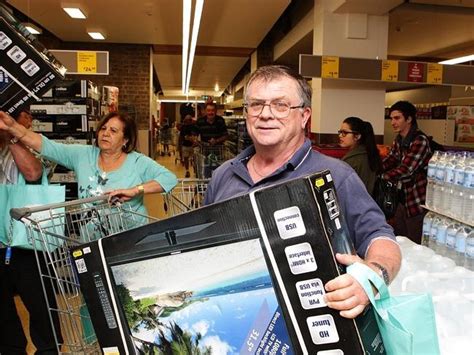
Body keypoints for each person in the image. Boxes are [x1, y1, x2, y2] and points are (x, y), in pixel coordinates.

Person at [204, 65, 401, 319]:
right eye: (256, 105)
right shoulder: (223, 176)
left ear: (305, 116)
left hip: (312, 325)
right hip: (235, 319)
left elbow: (380, 237)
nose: (266, 114)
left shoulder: (336, 176)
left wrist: (372, 277)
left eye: (280, 105)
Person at [0, 111, 178, 217]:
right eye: (103, 128)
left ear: (125, 140)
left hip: (129, 238)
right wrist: (12, 127)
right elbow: (46, 146)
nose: (105, 133)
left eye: (113, 131)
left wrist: (135, 190)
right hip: (91, 240)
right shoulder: (83, 155)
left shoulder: (137, 161)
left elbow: (169, 179)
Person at [0, 112, 61, 354]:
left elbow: (34, 173)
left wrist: (12, 136)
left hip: (27, 239)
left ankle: (48, 349)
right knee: (2, 311)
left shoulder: (35, 144)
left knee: (41, 304)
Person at [382, 101, 432, 244]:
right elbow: (390, 160)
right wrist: (375, 167)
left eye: (397, 118)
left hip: (417, 201)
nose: (393, 122)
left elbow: (406, 170)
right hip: (402, 200)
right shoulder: (399, 140)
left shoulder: (419, 140)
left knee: (414, 242)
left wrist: (383, 176)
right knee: (400, 239)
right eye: (391, 118)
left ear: (409, 119)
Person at [339, 117, 381, 195]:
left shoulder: (354, 159)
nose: (340, 136)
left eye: (344, 132)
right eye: (340, 132)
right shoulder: (368, 153)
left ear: (357, 136)